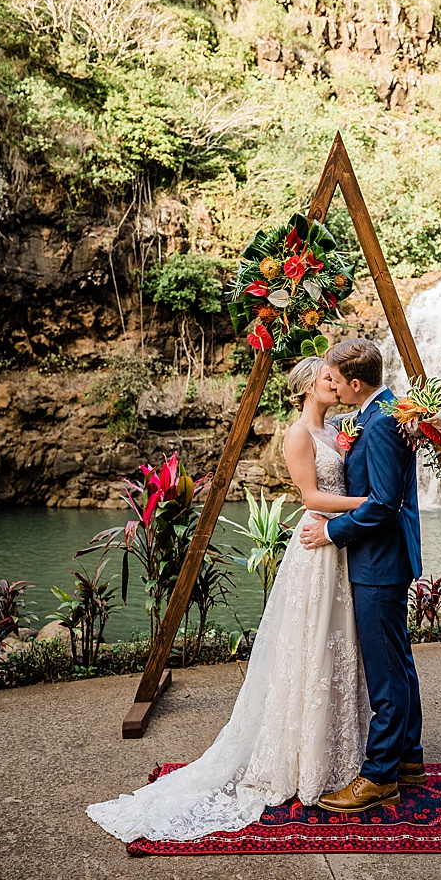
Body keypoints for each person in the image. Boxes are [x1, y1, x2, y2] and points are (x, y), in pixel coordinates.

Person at [87, 355, 373, 842]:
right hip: (317, 542)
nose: (337, 381)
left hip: (339, 543)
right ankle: (299, 759)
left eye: (337, 377)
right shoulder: (298, 435)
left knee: (337, 643)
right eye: (328, 377)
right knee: (310, 645)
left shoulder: (336, 430)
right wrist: (372, 504)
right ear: (307, 386)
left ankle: (335, 751)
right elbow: (310, 497)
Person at [301, 336, 425, 814]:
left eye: (334, 377)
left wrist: (333, 532)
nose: (329, 382)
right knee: (398, 662)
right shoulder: (385, 410)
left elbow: (383, 507)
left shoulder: (379, 425)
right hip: (386, 560)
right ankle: (408, 758)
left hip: (378, 562)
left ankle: (378, 778)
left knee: (385, 672)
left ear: (355, 383)